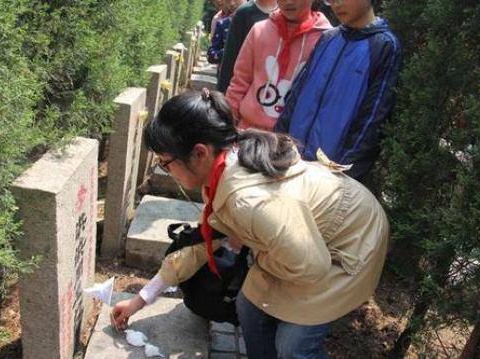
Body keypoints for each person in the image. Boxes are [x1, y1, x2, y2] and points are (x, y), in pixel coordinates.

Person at [111, 90, 390, 359]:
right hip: (306, 243)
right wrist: (140, 300)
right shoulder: (221, 170)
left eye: (165, 162)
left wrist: (258, 255)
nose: (165, 171)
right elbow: (195, 247)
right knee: (249, 307)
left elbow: (311, 267)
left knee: (293, 347)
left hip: (349, 244)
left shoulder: (249, 203)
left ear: (199, 153)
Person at [275, 0, 402, 180]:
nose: (336, 4)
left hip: (330, 175)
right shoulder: (328, 38)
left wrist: (344, 174)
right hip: (289, 161)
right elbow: (296, 95)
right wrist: (278, 143)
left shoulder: (383, 46)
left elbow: (372, 119)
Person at [225, 0, 331, 131]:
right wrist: (227, 128)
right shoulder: (259, 30)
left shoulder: (327, 41)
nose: (288, 2)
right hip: (248, 133)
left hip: (293, 141)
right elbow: (239, 84)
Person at [217, 0, 278, 92]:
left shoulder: (289, 11)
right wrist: (222, 94)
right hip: (246, 88)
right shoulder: (244, 13)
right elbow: (229, 59)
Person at [207, 0, 246, 64]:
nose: (232, 4)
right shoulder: (222, 23)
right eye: (227, 1)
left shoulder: (262, 19)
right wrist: (228, 51)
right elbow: (211, 54)